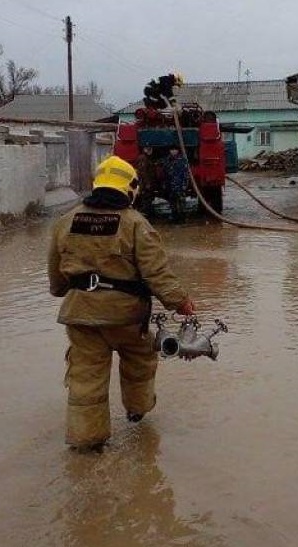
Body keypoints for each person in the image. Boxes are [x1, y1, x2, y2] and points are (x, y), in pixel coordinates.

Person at [48, 155, 196, 452]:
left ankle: (87, 440)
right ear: (130, 188)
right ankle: (137, 411)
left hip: (81, 317)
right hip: (126, 318)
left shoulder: (66, 221)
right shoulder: (135, 223)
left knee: (86, 376)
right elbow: (156, 271)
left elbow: (57, 273)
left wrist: (64, 289)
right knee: (140, 361)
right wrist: (180, 302)